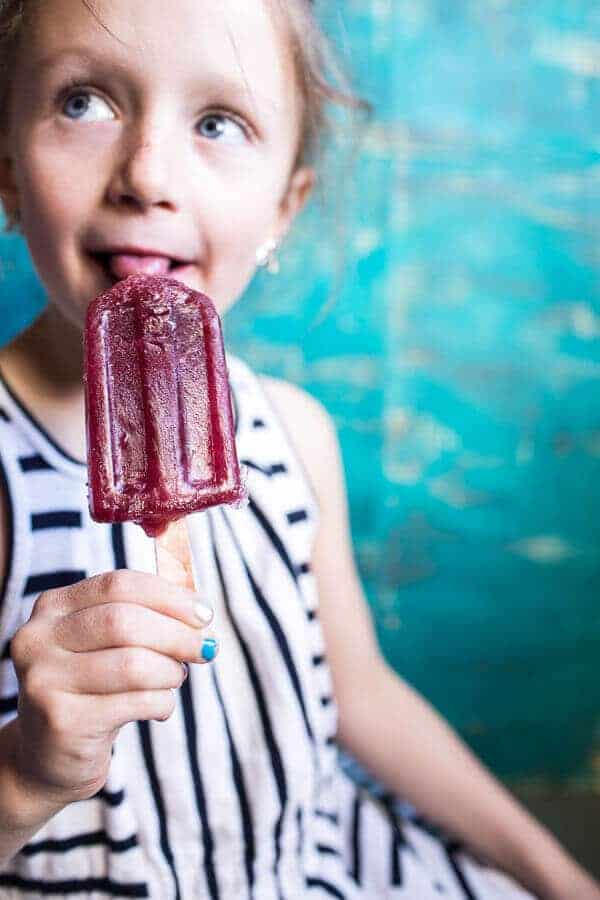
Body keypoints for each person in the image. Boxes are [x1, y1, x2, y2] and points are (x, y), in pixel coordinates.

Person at [0, 1, 597, 897]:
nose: (148, 176)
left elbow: (360, 697)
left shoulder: (292, 436)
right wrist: (25, 774)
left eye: (217, 122)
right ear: (7, 172)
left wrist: (558, 877)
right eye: (83, 101)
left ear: (286, 204)